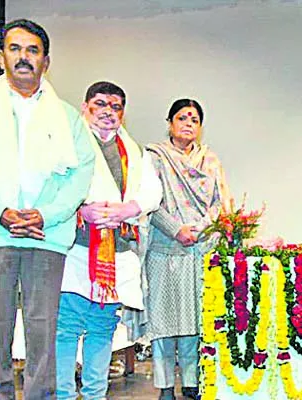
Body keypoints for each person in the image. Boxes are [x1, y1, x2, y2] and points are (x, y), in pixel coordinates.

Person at [0, 19, 95, 398]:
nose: (23, 57)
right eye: (15, 49)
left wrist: (46, 214)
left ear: (46, 62)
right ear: (1, 57)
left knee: (42, 331)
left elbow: (81, 174)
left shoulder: (67, 117)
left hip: (45, 237)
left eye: (32, 51)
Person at [55, 82, 162, 400]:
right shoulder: (69, 143)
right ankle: (62, 395)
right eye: (100, 104)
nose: (107, 112)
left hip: (118, 251)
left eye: (115, 107)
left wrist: (128, 209)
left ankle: (94, 395)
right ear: (85, 106)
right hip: (76, 249)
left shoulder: (133, 150)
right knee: (68, 326)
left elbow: (151, 191)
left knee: (102, 327)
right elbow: (55, 184)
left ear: (122, 114)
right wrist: (82, 209)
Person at [144, 99, 230, 400]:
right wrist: (176, 230)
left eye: (194, 119)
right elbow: (148, 202)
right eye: (182, 118)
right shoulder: (154, 158)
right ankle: (165, 386)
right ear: (170, 123)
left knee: (196, 322)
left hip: (200, 249)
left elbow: (222, 204)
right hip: (164, 249)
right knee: (164, 323)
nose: (188, 124)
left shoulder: (211, 161)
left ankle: (192, 383)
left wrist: (201, 229)